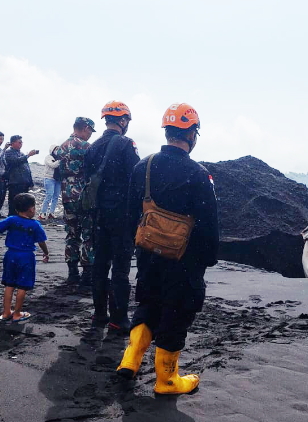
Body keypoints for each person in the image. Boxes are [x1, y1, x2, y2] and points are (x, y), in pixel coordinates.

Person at [117, 103, 219, 395]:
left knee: (148, 302)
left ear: (167, 131)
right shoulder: (199, 175)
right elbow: (208, 223)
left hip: (148, 253)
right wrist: (208, 257)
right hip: (184, 260)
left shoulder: (144, 166)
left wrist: (134, 245)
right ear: (192, 135)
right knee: (177, 311)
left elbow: (130, 212)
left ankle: (130, 360)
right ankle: (167, 381)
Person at [84, 100, 140, 333]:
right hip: (122, 215)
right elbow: (136, 180)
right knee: (120, 268)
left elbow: (88, 176)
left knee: (99, 264)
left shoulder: (93, 146)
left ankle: (99, 314)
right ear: (123, 120)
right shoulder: (127, 145)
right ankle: (118, 318)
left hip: (98, 214)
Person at [0, 193, 49, 323]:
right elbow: (41, 241)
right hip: (26, 257)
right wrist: (46, 253)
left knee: (9, 285)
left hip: (10, 255)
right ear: (31, 209)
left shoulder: (11, 220)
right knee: (22, 286)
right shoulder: (35, 225)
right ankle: (17, 313)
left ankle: (6, 312)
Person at [52, 117, 96, 286]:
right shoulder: (86, 147)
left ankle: (72, 272)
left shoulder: (62, 146)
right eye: (90, 131)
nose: (90, 135)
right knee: (88, 234)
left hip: (66, 193)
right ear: (85, 128)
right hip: (84, 195)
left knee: (71, 234)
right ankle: (87, 273)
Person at [3, 135, 39, 216]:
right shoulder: (9, 152)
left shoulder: (21, 153)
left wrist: (31, 183)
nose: (21, 144)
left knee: (23, 204)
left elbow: (27, 169)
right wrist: (28, 156)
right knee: (14, 203)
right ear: (13, 143)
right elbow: (14, 162)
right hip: (15, 183)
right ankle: (12, 220)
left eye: (21, 142)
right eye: (19, 142)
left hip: (24, 183)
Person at [41, 145, 62, 220]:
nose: (57, 150)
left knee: (56, 196)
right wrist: (60, 160)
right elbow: (53, 165)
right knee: (49, 194)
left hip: (58, 179)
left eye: (58, 149)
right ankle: (43, 212)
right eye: (56, 149)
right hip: (49, 178)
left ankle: (51, 213)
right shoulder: (48, 157)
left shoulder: (59, 157)